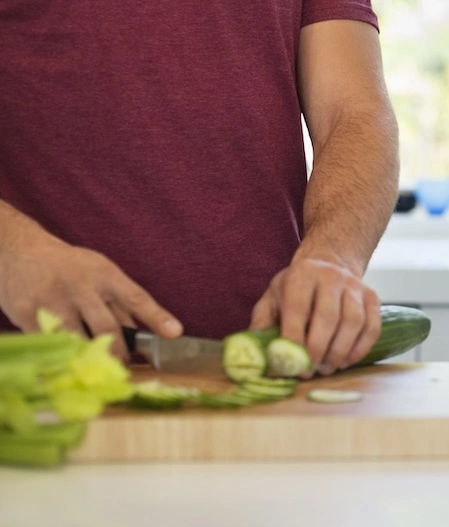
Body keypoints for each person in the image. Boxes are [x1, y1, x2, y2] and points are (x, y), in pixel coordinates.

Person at [0, 1, 400, 378]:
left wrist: (332, 257)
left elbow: (354, 111)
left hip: (264, 371)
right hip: (33, 373)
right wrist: (13, 249)